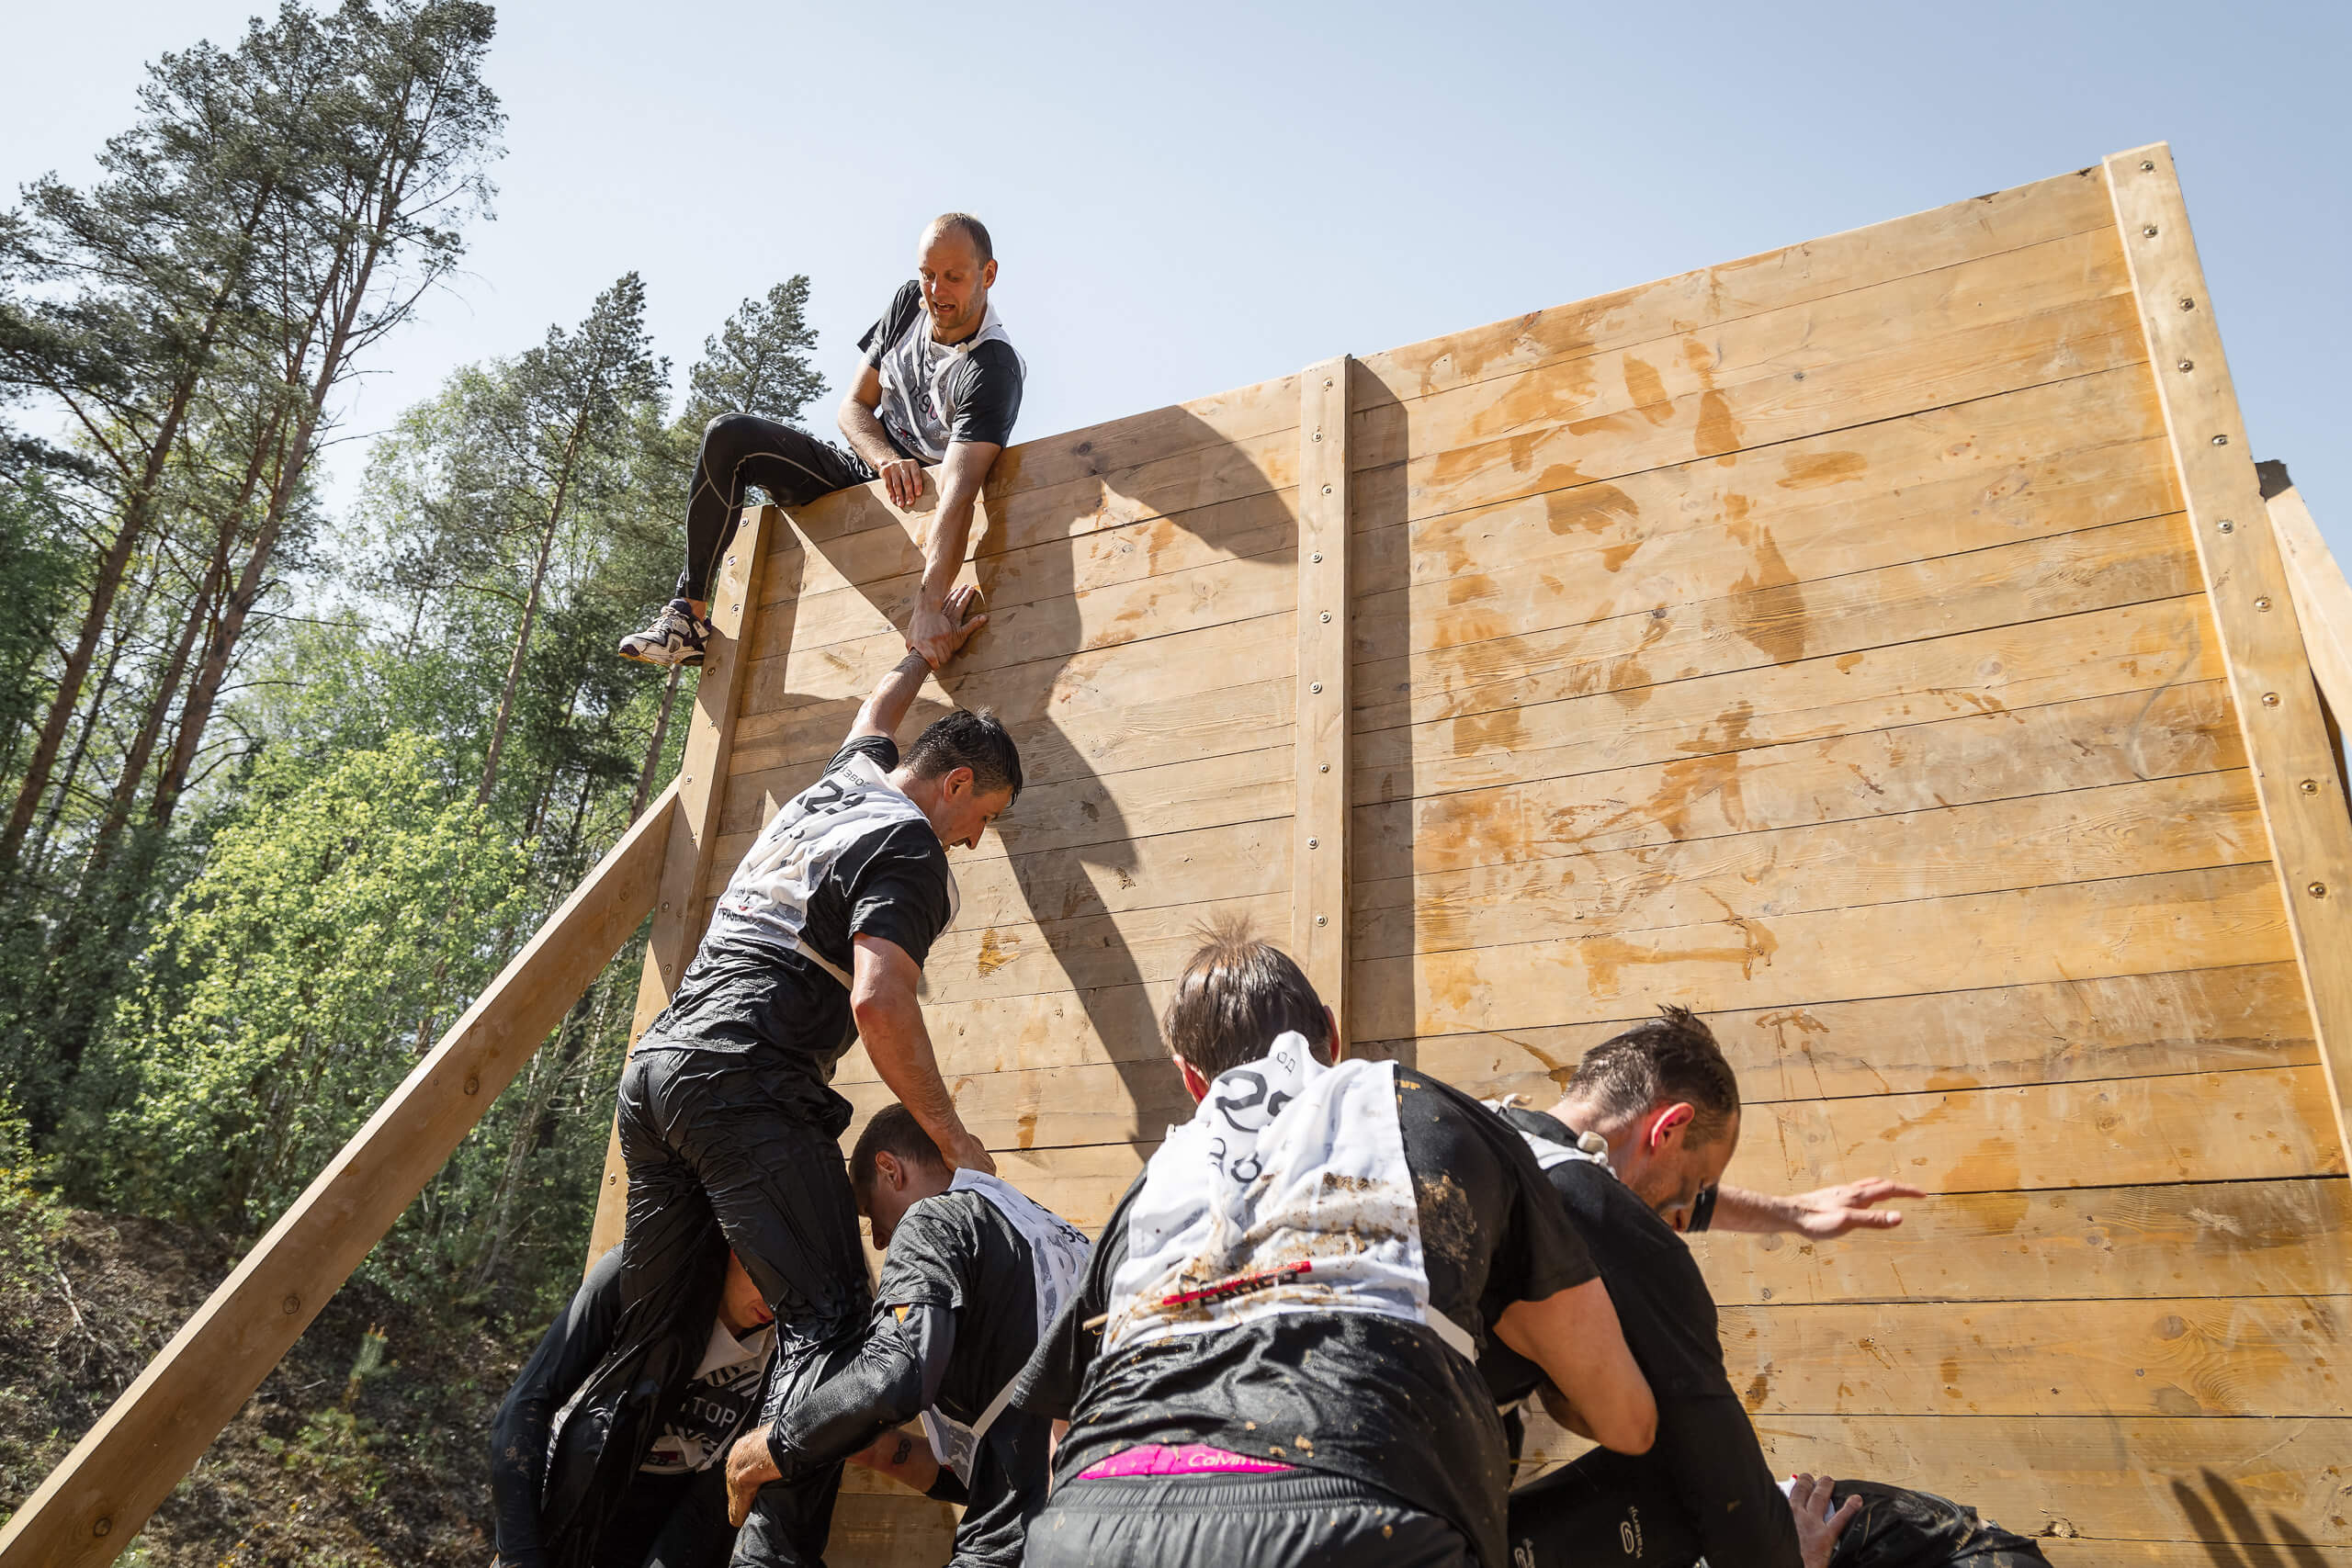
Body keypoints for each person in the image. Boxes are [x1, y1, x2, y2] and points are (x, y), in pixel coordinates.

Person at [1009, 919, 1657, 1568]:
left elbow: (1065, 1431)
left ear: (1193, 1082)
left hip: (1090, 1532)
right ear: (1331, 1032)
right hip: (1351, 1525)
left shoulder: (1147, 1192)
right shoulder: (1430, 1113)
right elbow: (1627, 1418)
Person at [608, 585, 1013, 1567]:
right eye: (983, 819)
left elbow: (874, 717)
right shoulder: (911, 845)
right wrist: (954, 1139)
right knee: (832, 1334)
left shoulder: (845, 785)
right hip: (748, 1082)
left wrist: (922, 652)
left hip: (659, 1073)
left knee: (651, 1344)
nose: (974, 842)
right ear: (954, 784)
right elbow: (879, 1001)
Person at [1488, 1007, 2050, 1568]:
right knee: (1679, 1474)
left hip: (1429, 1493)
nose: (1677, 1215)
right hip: (1436, 1528)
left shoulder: (1483, 1132)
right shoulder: (1610, 1222)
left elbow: (1619, 1189)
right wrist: (1789, 1554)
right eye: (1690, 1188)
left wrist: (1793, 1212)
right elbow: (1715, 1471)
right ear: (1669, 1128)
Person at [620, 211, 1023, 672]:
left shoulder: (993, 369)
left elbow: (959, 493)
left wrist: (929, 607)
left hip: (922, 508)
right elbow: (852, 408)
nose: (935, 291)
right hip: (865, 471)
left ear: (988, 274)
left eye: (953, 277)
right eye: (928, 275)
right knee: (729, 436)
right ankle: (686, 618)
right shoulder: (908, 303)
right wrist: (885, 460)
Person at [718, 1105, 1091, 1566]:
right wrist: (869, 1446)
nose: (877, 1240)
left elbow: (896, 1372)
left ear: (890, 1169)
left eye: (870, 1212)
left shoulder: (932, 1221)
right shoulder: (1052, 1235)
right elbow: (1014, 1447)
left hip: (1026, 1542)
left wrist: (769, 1448)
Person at [490, 1237, 773, 1568]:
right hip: (564, 1496)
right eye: (772, 1270)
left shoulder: (790, 1336)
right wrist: (520, 1557)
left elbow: (718, 1489)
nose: (778, 1295)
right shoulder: (639, 1271)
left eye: (797, 1280)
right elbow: (525, 1403)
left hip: (667, 1520)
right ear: (734, 1244)